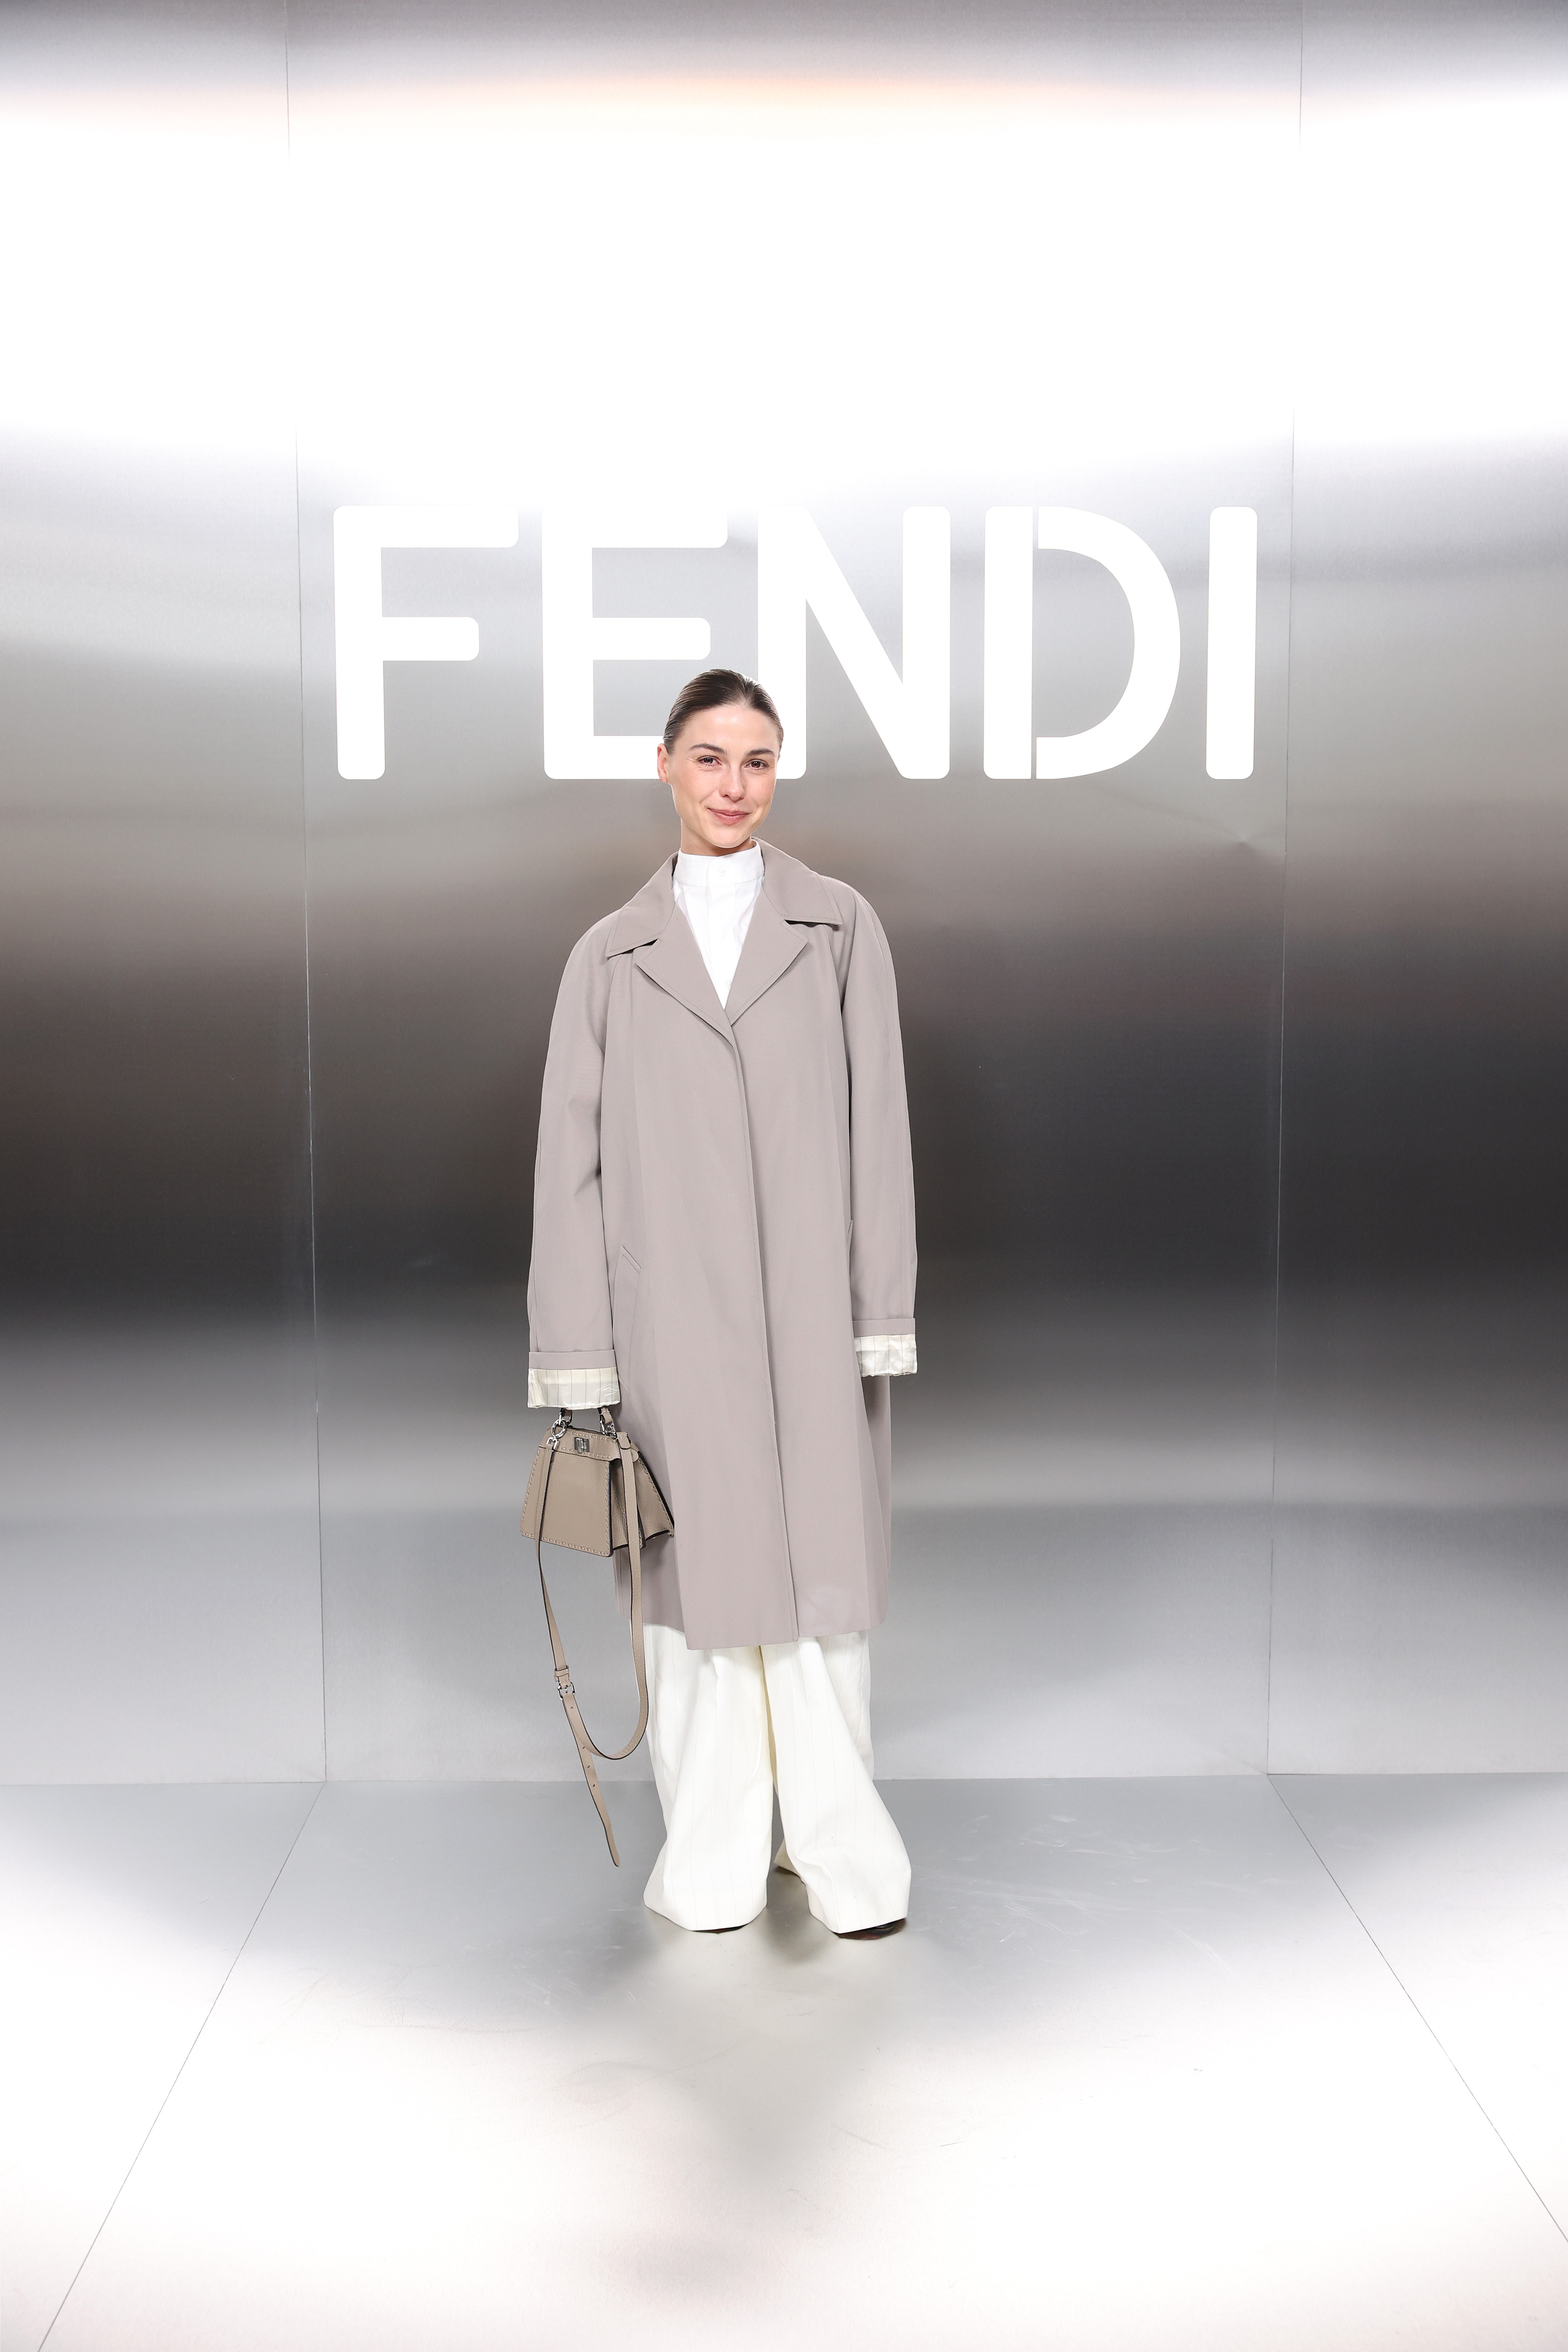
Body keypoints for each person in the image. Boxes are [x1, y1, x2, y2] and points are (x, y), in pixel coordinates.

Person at [526, 669, 916, 1938]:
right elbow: (568, 1167)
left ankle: (840, 1856)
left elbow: (878, 1130)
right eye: (709, 757)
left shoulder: (839, 927)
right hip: (672, 1331)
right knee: (691, 1596)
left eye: (756, 760)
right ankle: (711, 1859)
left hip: (810, 1320)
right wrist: (578, 1352)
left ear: (776, 769)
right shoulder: (608, 955)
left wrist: (878, 1310)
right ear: (665, 764)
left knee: (819, 1586)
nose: (733, 785)